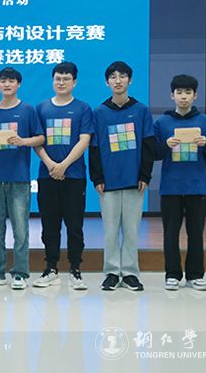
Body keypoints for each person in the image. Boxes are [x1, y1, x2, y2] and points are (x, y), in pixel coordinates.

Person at [89, 61, 154, 292]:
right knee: (110, 231)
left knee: (131, 231)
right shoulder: (99, 112)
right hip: (108, 182)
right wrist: (97, 177)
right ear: (107, 82)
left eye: (123, 76)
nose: (118, 80)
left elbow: (148, 144)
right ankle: (111, 272)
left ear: (130, 80)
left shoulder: (141, 110)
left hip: (135, 181)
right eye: (113, 77)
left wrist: (145, 174)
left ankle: (130, 273)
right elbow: (94, 148)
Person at [0, 67, 44, 290]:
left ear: (18, 84)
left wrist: (23, 141)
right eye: (3, 81)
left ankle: (20, 274)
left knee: (21, 229)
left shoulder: (27, 110)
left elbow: (40, 138)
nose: (7, 84)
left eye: (11, 81)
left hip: (19, 178)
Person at [153, 74, 206, 291]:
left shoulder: (204, 121)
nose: (183, 97)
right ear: (172, 95)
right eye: (179, 92)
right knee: (170, 234)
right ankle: (172, 275)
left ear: (195, 95)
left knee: (196, 233)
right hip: (170, 188)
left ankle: (195, 275)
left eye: (188, 92)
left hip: (196, 186)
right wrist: (166, 144)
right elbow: (153, 153)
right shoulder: (162, 122)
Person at [32, 62, 93, 290]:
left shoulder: (83, 108)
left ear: (74, 82)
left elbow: (84, 140)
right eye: (58, 78)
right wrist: (51, 165)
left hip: (74, 176)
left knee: (74, 225)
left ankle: (75, 270)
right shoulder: (41, 108)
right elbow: (37, 141)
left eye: (66, 79)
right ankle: (51, 268)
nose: (61, 82)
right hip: (47, 176)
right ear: (52, 80)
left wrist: (64, 165)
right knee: (49, 225)